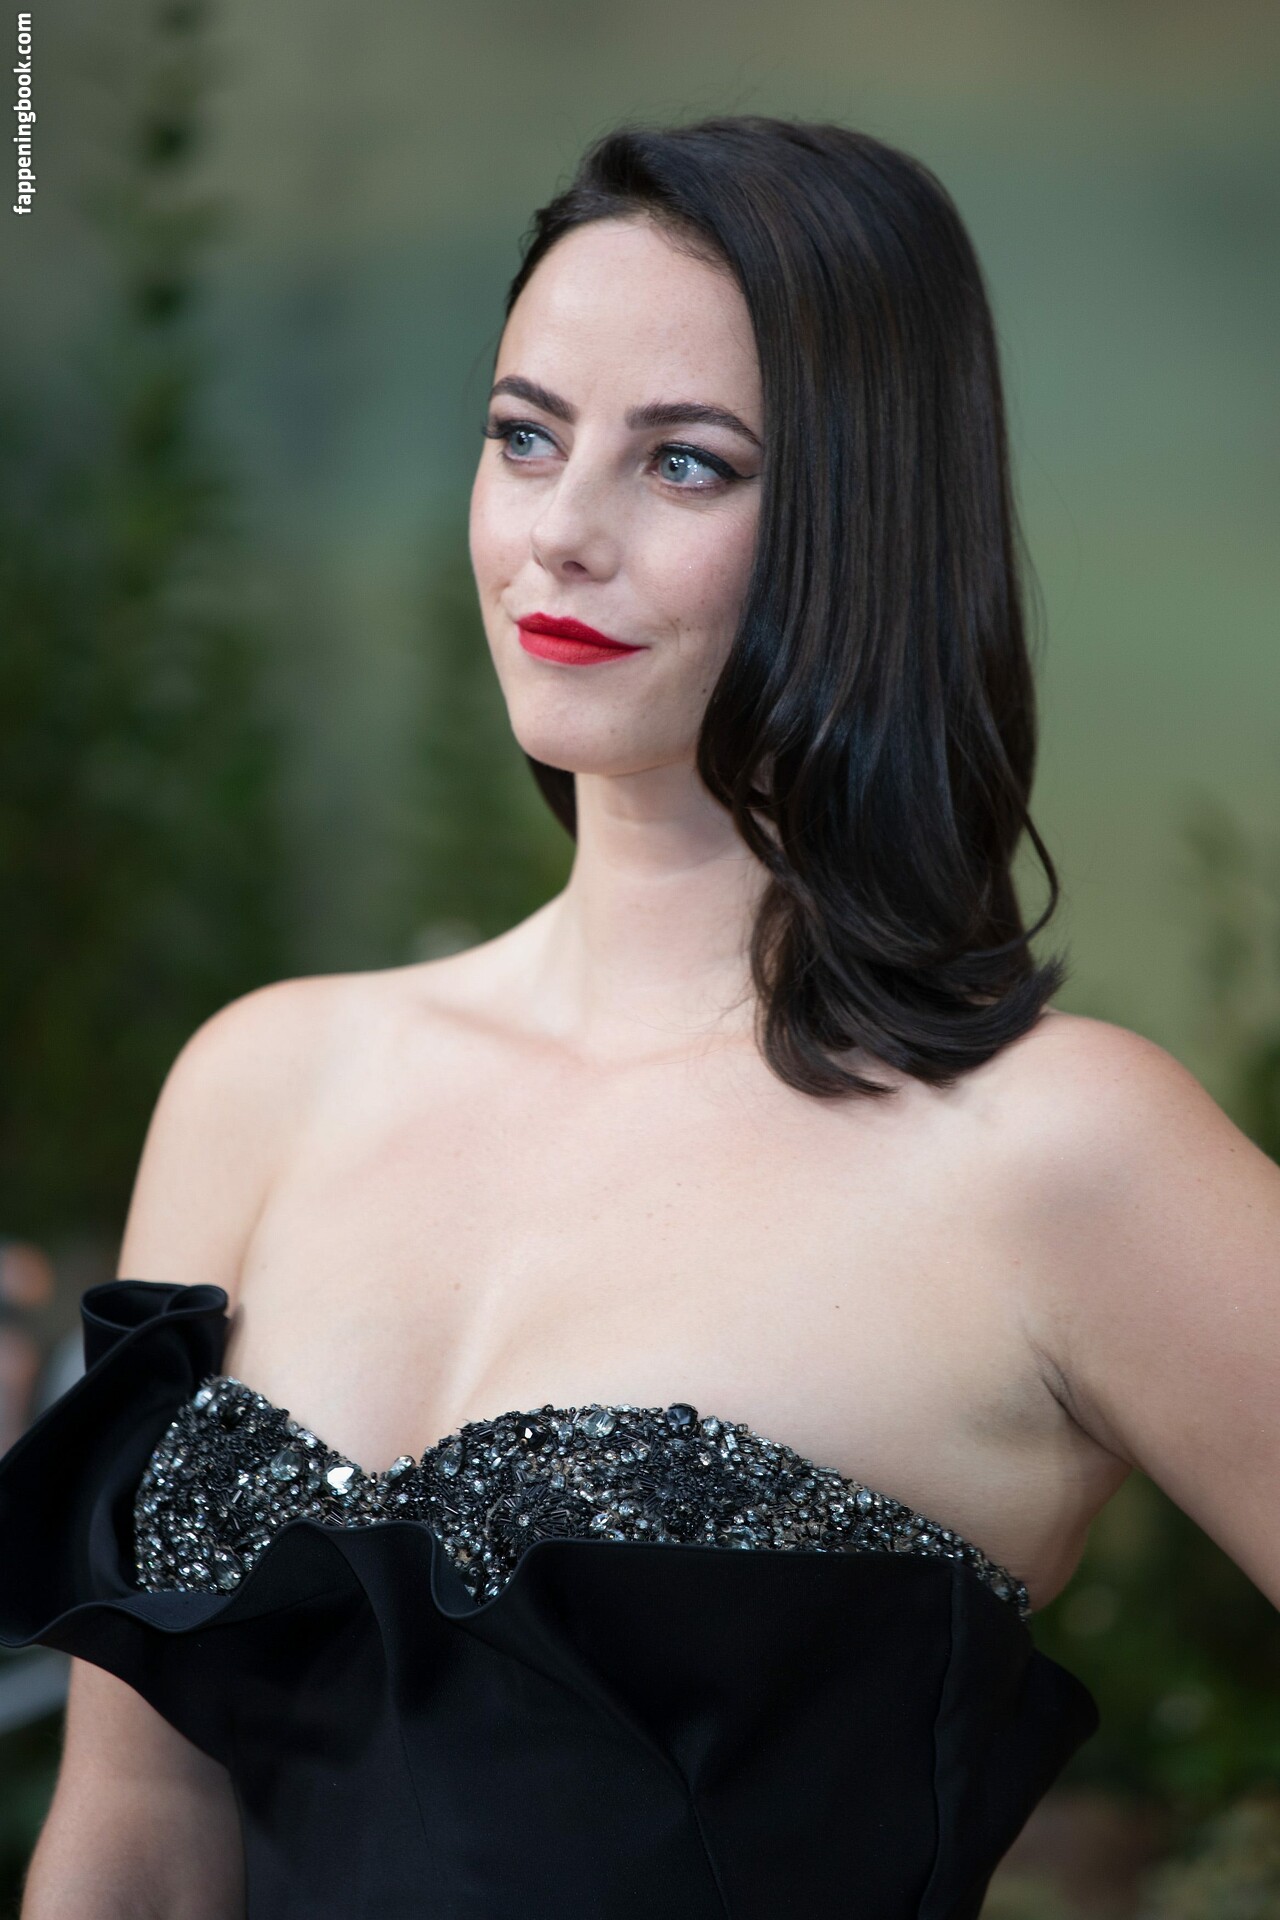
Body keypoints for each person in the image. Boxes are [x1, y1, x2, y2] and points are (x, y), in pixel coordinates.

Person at [3, 114, 1277, 1920]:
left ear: (867, 520)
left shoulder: (1061, 1151)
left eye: (685, 464)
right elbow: (136, 1842)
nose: (560, 533)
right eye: (524, 436)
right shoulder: (265, 1080)